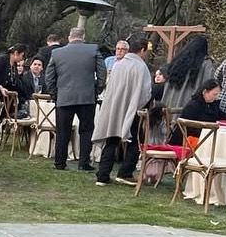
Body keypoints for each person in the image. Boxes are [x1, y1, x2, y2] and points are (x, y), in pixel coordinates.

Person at [93, 35, 153, 186]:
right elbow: (146, 92)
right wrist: (138, 105)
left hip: (115, 107)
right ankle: (125, 172)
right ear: (142, 50)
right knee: (134, 141)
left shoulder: (118, 64)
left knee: (111, 138)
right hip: (132, 110)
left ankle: (103, 174)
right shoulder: (140, 67)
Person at [44, 26, 106, 171]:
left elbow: (49, 76)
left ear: (69, 37)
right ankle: (84, 163)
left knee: (62, 131)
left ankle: (60, 162)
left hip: (64, 97)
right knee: (86, 130)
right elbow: (102, 73)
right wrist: (97, 90)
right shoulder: (93, 50)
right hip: (86, 97)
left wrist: (55, 93)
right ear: (83, 37)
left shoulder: (57, 53)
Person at [162, 36, 214, 109]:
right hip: (188, 108)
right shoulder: (206, 64)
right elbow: (210, 86)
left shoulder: (177, 61)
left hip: (169, 104)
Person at [168, 79, 222, 147]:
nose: (216, 97)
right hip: (187, 142)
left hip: (204, 137)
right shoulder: (193, 106)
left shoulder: (212, 104)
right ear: (205, 92)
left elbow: (221, 114)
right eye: (215, 94)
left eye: (218, 95)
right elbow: (188, 128)